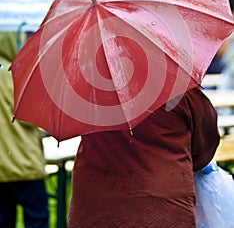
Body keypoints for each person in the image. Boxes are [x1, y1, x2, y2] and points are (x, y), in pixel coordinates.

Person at [68, 87, 220, 228]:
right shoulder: (176, 84)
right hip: (161, 206)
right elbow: (206, 141)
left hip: (94, 202)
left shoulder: (87, 85)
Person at [0, 31, 49, 228]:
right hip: (25, 164)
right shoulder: (16, 73)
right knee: (36, 220)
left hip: (1, 168)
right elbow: (32, 118)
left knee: (4, 220)